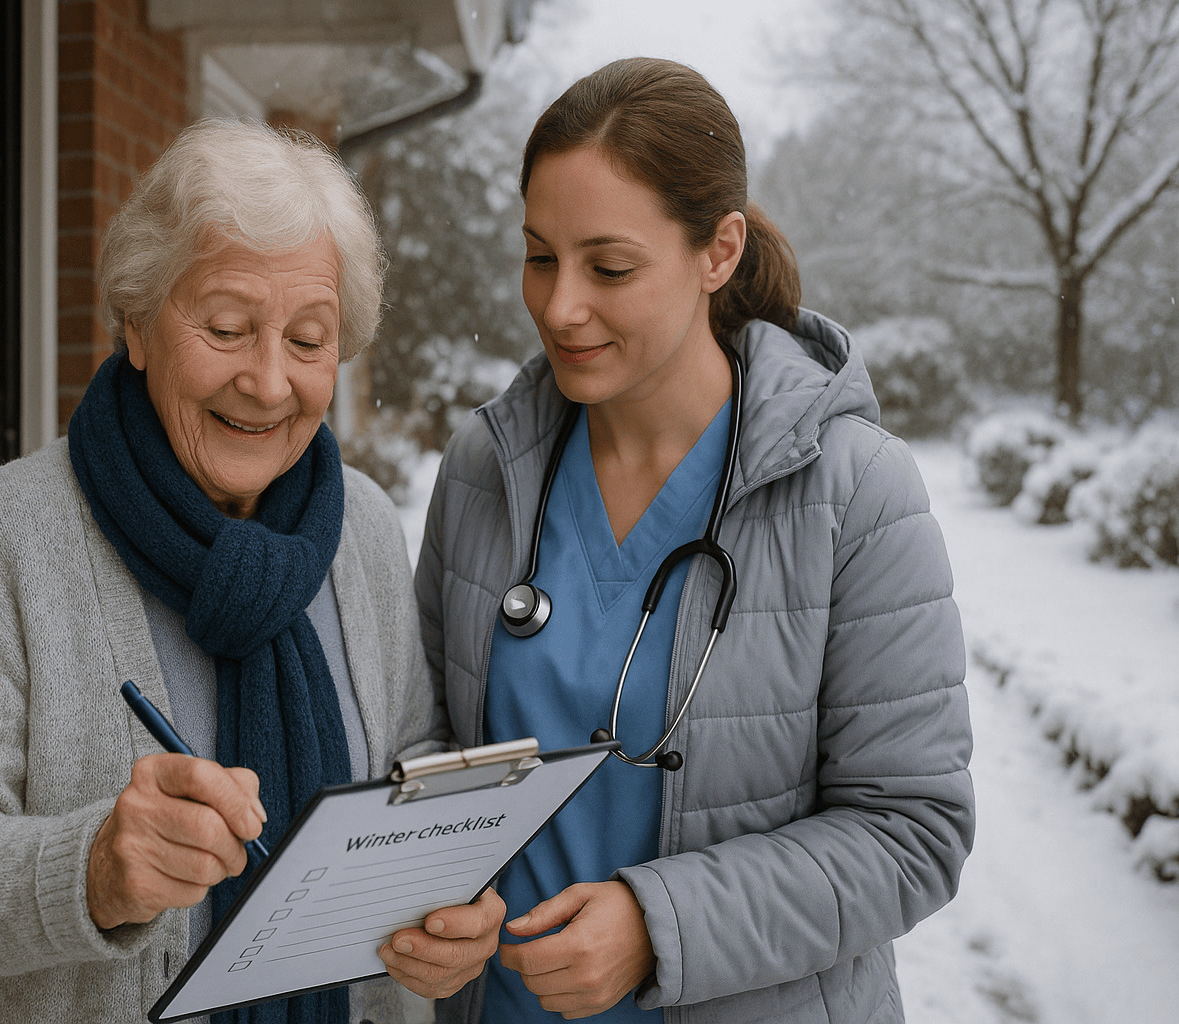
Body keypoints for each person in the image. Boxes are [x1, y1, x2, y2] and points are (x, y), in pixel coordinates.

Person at [0, 118, 503, 1023]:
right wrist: (92, 872)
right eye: (228, 326)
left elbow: (410, 760)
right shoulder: (15, 531)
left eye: (309, 339)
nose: (270, 382)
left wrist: (446, 887)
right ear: (136, 321)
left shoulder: (359, 525)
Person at [415, 58, 975, 1023]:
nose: (559, 308)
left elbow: (912, 830)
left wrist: (657, 925)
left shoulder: (856, 495)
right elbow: (425, 739)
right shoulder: (485, 468)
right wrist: (424, 889)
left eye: (610, 266)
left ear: (719, 252)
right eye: (540, 256)